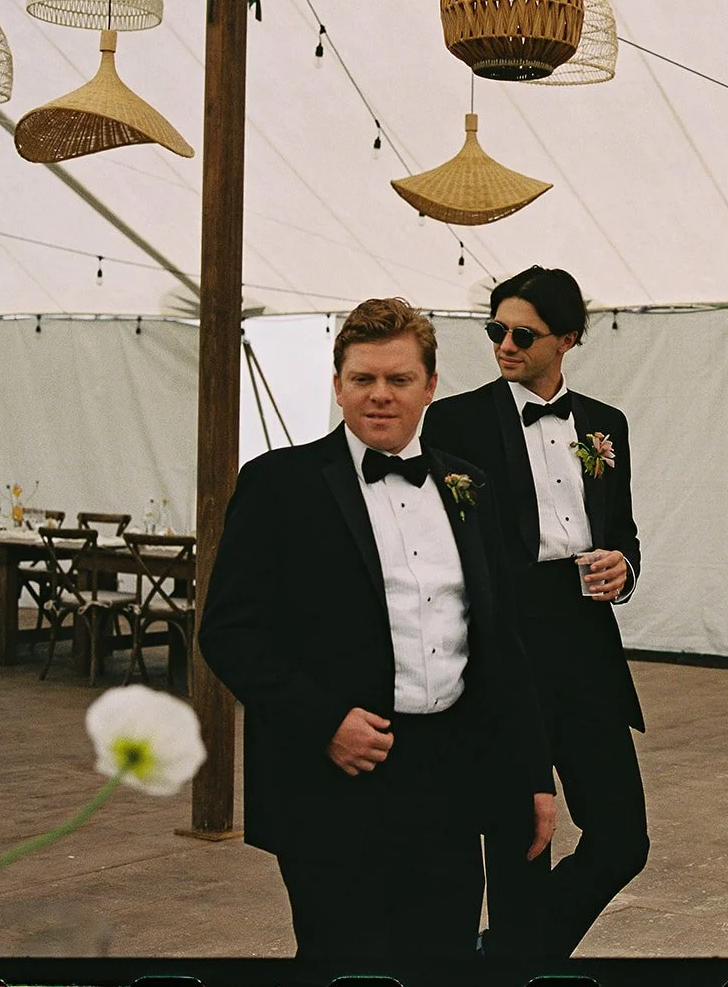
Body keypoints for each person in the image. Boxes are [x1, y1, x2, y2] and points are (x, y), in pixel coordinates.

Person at [198, 297, 555, 962]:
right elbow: (228, 631)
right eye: (363, 379)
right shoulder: (279, 485)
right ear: (337, 386)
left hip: (452, 776)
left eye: (399, 379)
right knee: (344, 960)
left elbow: (503, 642)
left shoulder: (467, 486)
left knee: (444, 955)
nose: (380, 395)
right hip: (336, 780)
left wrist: (535, 775)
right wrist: (323, 719)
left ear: (431, 387)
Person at [422, 266, 648, 959]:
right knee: (522, 840)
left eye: (523, 333)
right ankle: (518, 955)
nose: (504, 344)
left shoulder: (606, 425)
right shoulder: (457, 420)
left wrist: (624, 566)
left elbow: (626, 528)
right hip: (505, 641)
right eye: (496, 330)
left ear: (568, 340)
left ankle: (509, 953)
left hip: (587, 642)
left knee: (622, 839)